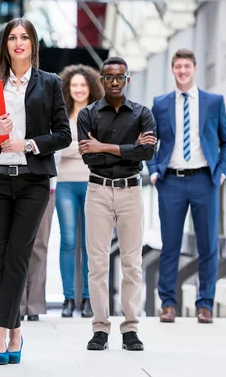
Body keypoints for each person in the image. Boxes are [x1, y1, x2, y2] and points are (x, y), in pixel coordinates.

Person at [0, 17, 71, 365]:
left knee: (18, 254)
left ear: (34, 44)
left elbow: (63, 135)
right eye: (12, 37)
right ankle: (15, 329)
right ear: (5, 44)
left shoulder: (50, 83)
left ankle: (1, 329)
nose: (18, 43)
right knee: (1, 255)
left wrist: (26, 143)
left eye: (24, 37)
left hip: (33, 180)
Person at [147, 49, 226, 324]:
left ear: (195, 69)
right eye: (178, 66)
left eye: (187, 66)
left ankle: (205, 304)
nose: (183, 71)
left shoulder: (213, 102)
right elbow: (150, 141)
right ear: (173, 70)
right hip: (170, 181)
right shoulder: (160, 104)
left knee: (208, 245)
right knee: (170, 245)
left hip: (204, 180)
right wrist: (153, 171)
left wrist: (220, 173)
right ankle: (168, 304)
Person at [78, 56, 156, 351]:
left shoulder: (142, 113)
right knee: (97, 264)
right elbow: (90, 157)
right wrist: (129, 148)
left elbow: (148, 153)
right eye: (108, 77)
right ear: (101, 79)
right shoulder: (87, 114)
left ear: (127, 80)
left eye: (119, 77)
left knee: (132, 264)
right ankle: (100, 328)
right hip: (97, 192)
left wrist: (104, 146)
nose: (114, 82)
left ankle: (131, 328)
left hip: (131, 193)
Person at [55, 64, 104, 318]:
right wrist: (83, 147)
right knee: (68, 240)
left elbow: (99, 147)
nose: (78, 89)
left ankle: (87, 299)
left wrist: (73, 146)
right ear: (68, 87)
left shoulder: (98, 114)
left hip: (92, 182)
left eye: (83, 85)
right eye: (74, 85)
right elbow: (56, 148)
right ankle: (67, 298)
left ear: (90, 87)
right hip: (65, 183)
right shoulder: (60, 115)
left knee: (89, 243)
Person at [19, 151, 60, 322]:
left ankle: (34, 305)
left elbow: (56, 152)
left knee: (39, 246)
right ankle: (16, 304)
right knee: (17, 246)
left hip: (45, 185)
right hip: (15, 184)